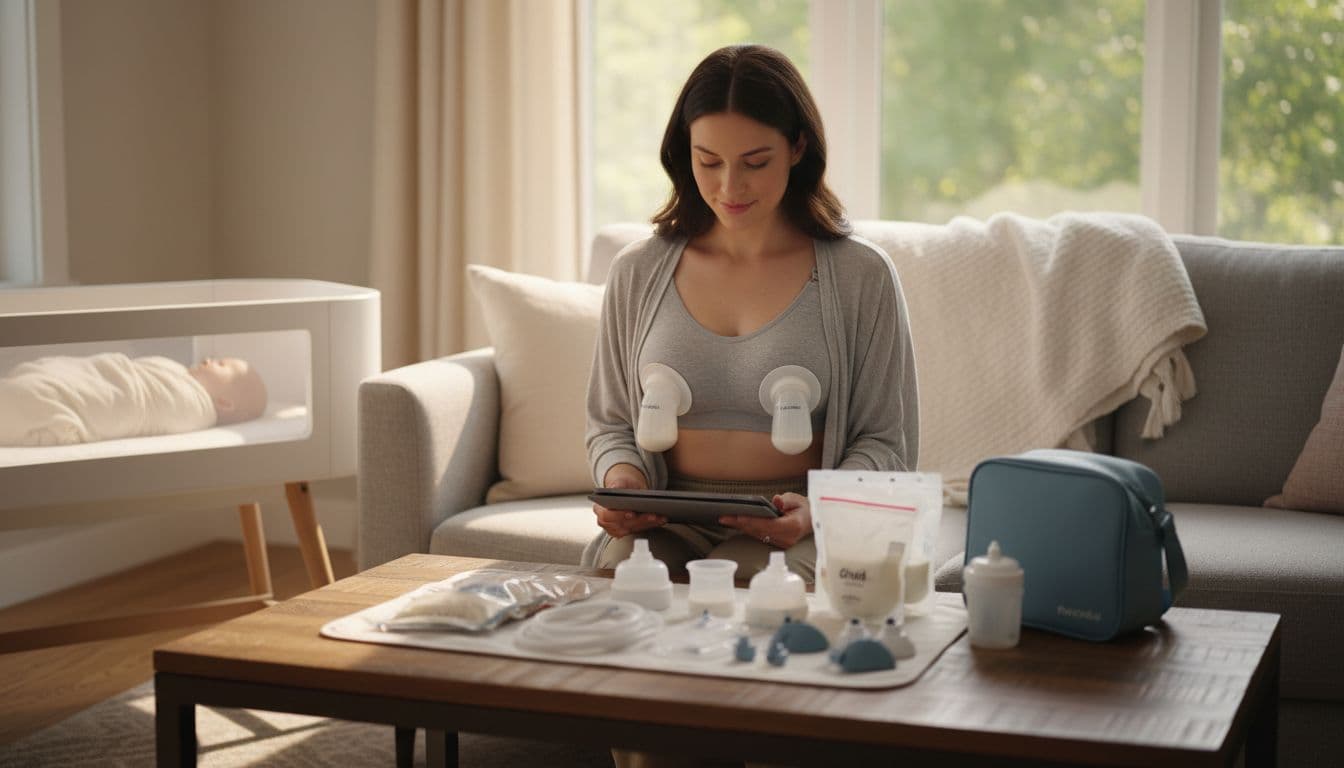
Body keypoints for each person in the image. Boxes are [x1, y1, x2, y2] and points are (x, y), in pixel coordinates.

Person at [585, 44, 919, 588]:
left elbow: (887, 442)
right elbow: (611, 424)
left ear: (797, 147)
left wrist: (818, 511)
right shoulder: (637, 271)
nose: (729, 188)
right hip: (666, 523)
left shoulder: (862, 276)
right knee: (622, 576)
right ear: (683, 153)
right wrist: (620, 483)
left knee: (750, 586)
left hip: (801, 526)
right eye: (708, 161)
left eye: (755, 163)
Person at [0, 352, 268, 446]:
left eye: (221, 364)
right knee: (40, 381)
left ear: (224, 403)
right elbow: (128, 371)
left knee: (36, 398)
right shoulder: (177, 373)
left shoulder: (195, 410)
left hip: (97, 400)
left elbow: (137, 401)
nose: (209, 359)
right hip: (93, 376)